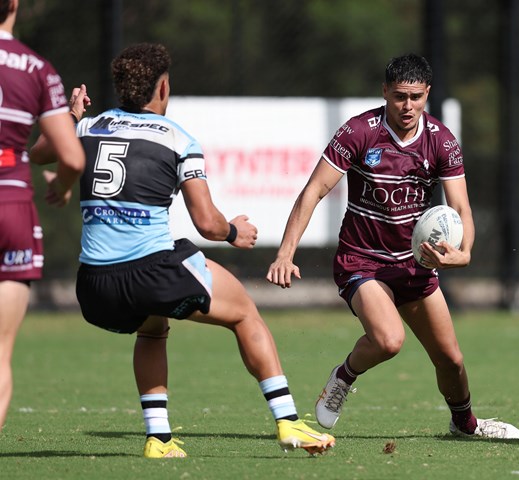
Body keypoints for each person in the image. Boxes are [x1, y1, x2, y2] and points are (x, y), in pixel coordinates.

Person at [30, 43, 335, 458]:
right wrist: (233, 231)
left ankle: (159, 440)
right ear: (163, 88)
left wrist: (71, 116)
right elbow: (206, 223)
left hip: (94, 285)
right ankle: (289, 422)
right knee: (245, 313)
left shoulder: (87, 128)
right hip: (150, 272)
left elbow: (39, 153)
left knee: (152, 330)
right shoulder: (177, 138)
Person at [266, 53, 519, 439]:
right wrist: (286, 253)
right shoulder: (359, 132)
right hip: (361, 261)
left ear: (427, 94)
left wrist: (465, 251)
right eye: (400, 96)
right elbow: (314, 191)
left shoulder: (440, 141)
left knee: (451, 360)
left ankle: (464, 425)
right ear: (385, 91)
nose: (408, 106)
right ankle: (343, 376)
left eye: (416, 97)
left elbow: (460, 207)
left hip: (414, 265)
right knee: (389, 340)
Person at [0, 0, 85, 431]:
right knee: (0, 353)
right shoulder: (37, 67)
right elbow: (71, 157)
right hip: (11, 204)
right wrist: (62, 187)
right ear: (13, 5)